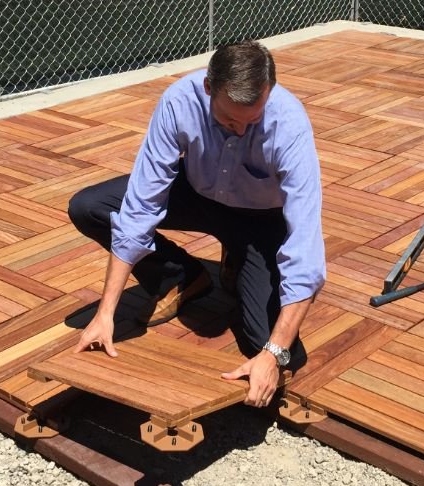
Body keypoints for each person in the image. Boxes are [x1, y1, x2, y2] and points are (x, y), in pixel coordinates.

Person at [66, 41, 326, 409]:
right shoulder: (179, 101)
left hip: (259, 219)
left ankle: (241, 260)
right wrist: (105, 313)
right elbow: (142, 203)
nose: (240, 130)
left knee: (272, 348)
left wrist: (274, 353)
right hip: (198, 193)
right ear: (208, 88)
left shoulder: (289, 123)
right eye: (229, 120)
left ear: (268, 92)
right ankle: (179, 276)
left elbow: (306, 246)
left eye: (252, 121)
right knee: (90, 207)